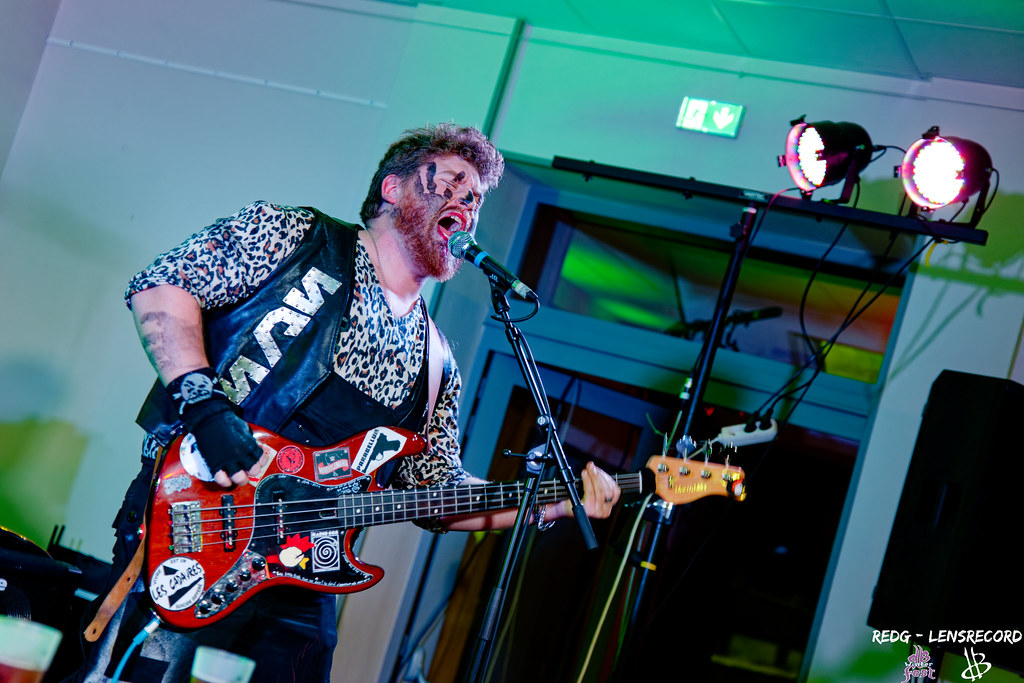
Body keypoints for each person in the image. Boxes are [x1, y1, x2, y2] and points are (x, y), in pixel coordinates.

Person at [72, 123, 621, 682]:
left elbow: (436, 494)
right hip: (199, 524)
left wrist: (551, 502)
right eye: (453, 183)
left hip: (305, 576)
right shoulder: (295, 236)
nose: (467, 204)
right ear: (393, 189)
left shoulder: (438, 364)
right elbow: (163, 284)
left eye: (476, 198)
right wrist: (206, 407)